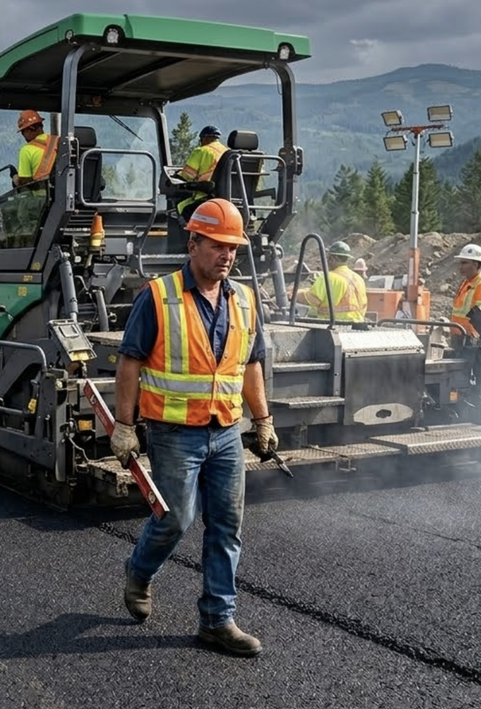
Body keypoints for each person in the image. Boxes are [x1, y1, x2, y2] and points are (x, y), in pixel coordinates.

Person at [111, 197, 273, 658]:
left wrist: (262, 419)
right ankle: (139, 571)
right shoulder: (158, 296)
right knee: (176, 518)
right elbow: (130, 363)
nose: (227, 256)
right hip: (174, 432)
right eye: (218, 246)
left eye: (233, 249)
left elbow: (250, 364)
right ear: (194, 242)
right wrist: (125, 426)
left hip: (225, 432)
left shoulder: (243, 299)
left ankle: (217, 619)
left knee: (227, 523)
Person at [296, 241, 367, 322]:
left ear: (333, 258)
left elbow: (312, 300)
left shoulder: (328, 278)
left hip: (334, 325)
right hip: (357, 327)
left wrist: (295, 295)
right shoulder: (358, 279)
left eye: (328, 258)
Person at [176, 125, 229, 220]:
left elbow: (187, 175)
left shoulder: (202, 151)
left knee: (182, 207)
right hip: (229, 199)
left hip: (207, 198)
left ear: (205, 138)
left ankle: (189, 234)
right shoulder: (229, 153)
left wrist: (177, 175)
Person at [13, 110, 59, 187]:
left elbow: (25, 182)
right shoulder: (59, 141)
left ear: (30, 129)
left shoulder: (26, 150)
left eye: (23, 132)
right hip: (60, 193)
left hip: (42, 197)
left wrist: (16, 179)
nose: (23, 136)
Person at [451, 244, 481, 338]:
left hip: (471, 338)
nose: (460, 267)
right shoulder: (465, 283)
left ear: (476, 264)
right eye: (460, 263)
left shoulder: (479, 284)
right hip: (459, 335)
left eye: (464, 263)